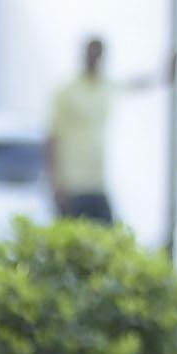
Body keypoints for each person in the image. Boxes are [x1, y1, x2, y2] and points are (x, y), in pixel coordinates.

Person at [48, 36, 123, 229]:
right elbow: (52, 138)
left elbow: (135, 85)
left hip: (97, 182)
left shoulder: (104, 86)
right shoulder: (67, 91)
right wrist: (55, 182)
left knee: (108, 238)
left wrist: (162, 76)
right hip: (72, 184)